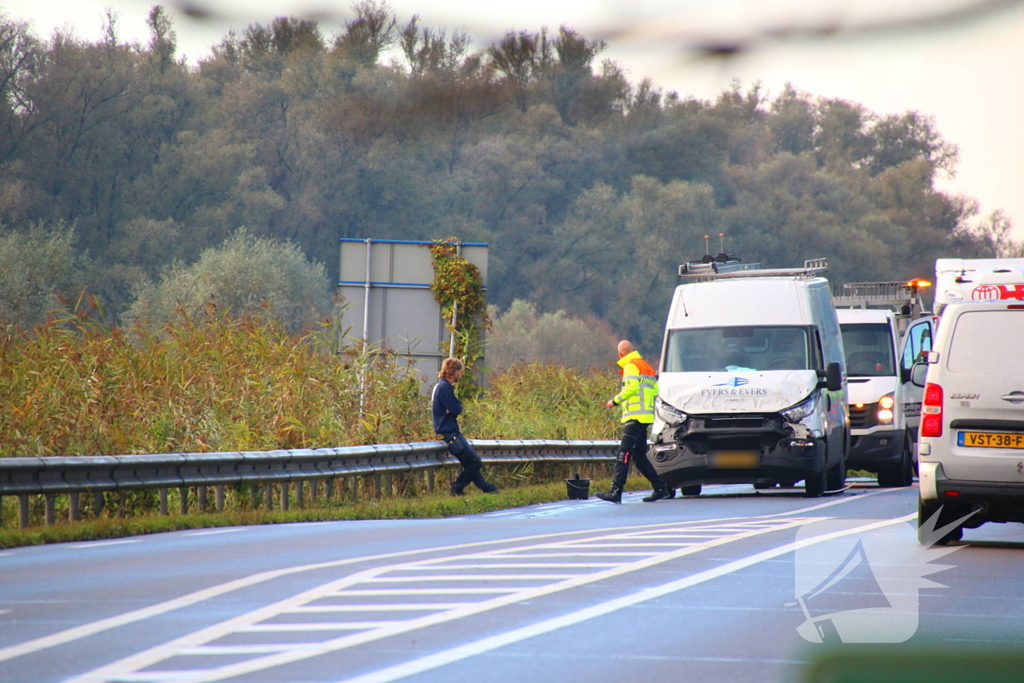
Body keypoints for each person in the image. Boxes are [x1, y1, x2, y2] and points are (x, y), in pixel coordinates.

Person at [596, 340, 673, 504]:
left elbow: (630, 388)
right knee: (639, 456)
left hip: (635, 417)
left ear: (621, 354)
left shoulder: (630, 366)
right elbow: (655, 390)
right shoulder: (646, 366)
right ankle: (660, 488)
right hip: (645, 417)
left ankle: (615, 491)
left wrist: (614, 401)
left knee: (624, 453)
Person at [431, 357, 498, 496]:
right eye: (459, 371)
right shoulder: (444, 387)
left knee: (470, 463)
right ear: (453, 371)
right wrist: (454, 408)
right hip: (449, 431)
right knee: (475, 462)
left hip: (450, 429)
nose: (460, 374)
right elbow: (456, 408)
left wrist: (453, 408)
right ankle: (457, 487)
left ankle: (487, 488)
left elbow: (454, 408)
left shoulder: (441, 385)